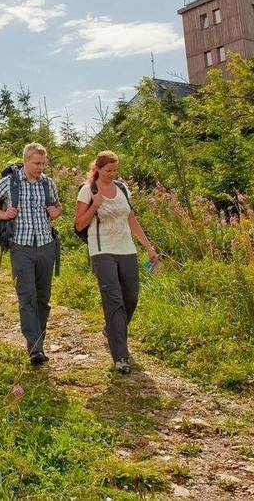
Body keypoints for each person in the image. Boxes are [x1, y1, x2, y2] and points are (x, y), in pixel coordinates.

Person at [74, 150, 159, 374]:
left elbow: (131, 218)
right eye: (108, 170)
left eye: (115, 170)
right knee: (114, 300)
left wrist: (148, 247)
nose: (112, 174)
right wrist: (95, 205)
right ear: (98, 169)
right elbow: (80, 224)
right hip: (102, 251)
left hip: (126, 249)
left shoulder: (122, 188)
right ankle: (120, 356)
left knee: (131, 296)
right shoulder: (87, 190)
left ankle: (111, 330)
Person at [0, 142, 63, 366]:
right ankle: (35, 348)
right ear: (26, 161)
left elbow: (58, 207)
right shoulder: (9, 183)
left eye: (43, 163)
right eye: (37, 163)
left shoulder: (48, 183)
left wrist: (56, 211)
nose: (40, 167)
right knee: (26, 296)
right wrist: (3, 214)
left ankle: (39, 341)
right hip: (21, 247)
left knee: (43, 298)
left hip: (46, 246)